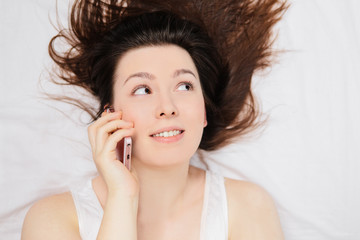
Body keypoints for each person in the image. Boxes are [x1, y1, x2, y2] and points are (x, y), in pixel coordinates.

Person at [22, 0, 287, 239]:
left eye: (184, 86)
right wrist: (123, 196)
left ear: (204, 112)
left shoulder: (248, 206)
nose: (167, 107)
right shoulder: (52, 220)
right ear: (110, 116)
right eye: (142, 90)